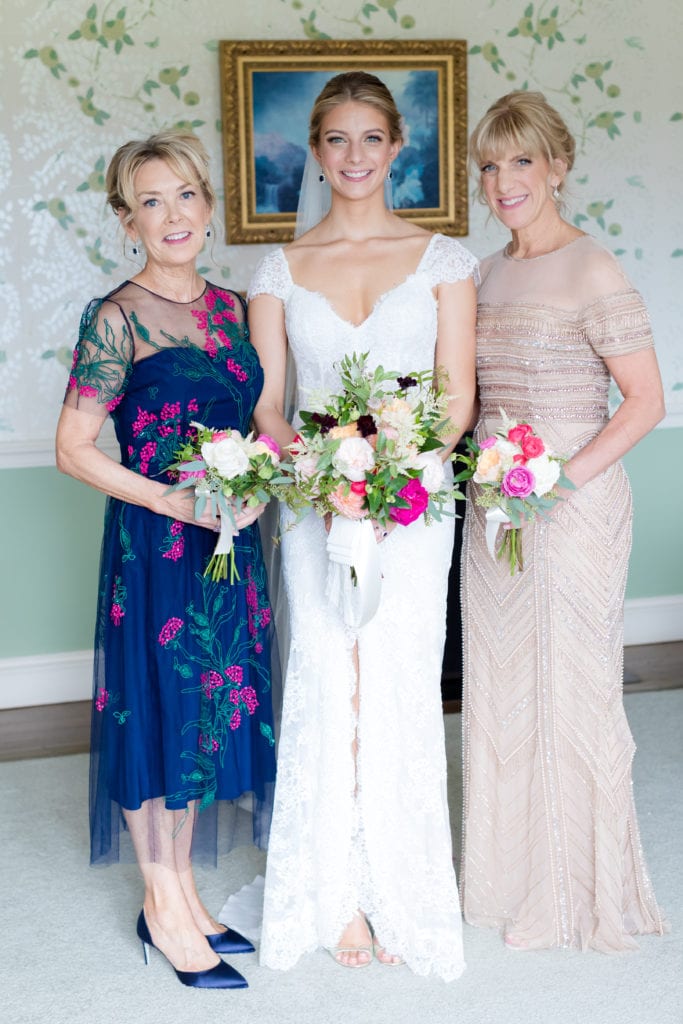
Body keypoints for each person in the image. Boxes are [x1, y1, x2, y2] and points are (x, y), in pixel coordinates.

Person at [246, 71, 477, 979]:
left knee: (397, 677)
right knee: (325, 673)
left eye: (369, 139)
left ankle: (400, 890)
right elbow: (272, 405)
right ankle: (331, 893)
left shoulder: (445, 261)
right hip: (312, 501)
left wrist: (388, 477)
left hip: (413, 505)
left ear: (396, 148)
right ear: (316, 151)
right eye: (334, 140)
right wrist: (321, 471)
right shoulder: (276, 269)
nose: (352, 157)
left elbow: (453, 402)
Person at [55, 129, 277, 988]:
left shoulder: (231, 308)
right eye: (150, 201)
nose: (171, 215)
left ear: (208, 206)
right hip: (157, 546)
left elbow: (256, 423)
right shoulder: (115, 316)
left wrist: (256, 484)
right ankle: (162, 902)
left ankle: (183, 890)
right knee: (156, 716)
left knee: (201, 718)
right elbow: (75, 446)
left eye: (184, 195)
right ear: (127, 220)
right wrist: (167, 500)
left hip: (227, 545)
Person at [460, 91, 667, 952]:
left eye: (518, 162)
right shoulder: (485, 270)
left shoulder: (594, 268)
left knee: (570, 687)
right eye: (487, 166)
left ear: (556, 166)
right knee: (501, 686)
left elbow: (645, 402)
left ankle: (580, 886)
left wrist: (556, 483)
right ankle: (505, 877)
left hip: (570, 506)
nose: (501, 182)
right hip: (491, 507)